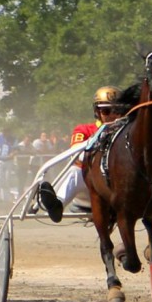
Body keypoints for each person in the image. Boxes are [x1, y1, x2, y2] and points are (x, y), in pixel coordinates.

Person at [36, 86, 125, 222]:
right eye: (106, 111)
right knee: (75, 170)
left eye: (116, 110)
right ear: (98, 112)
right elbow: (77, 154)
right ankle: (57, 205)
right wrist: (102, 136)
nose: (112, 115)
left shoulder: (128, 131)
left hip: (120, 187)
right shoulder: (84, 129)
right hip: (90, 188)